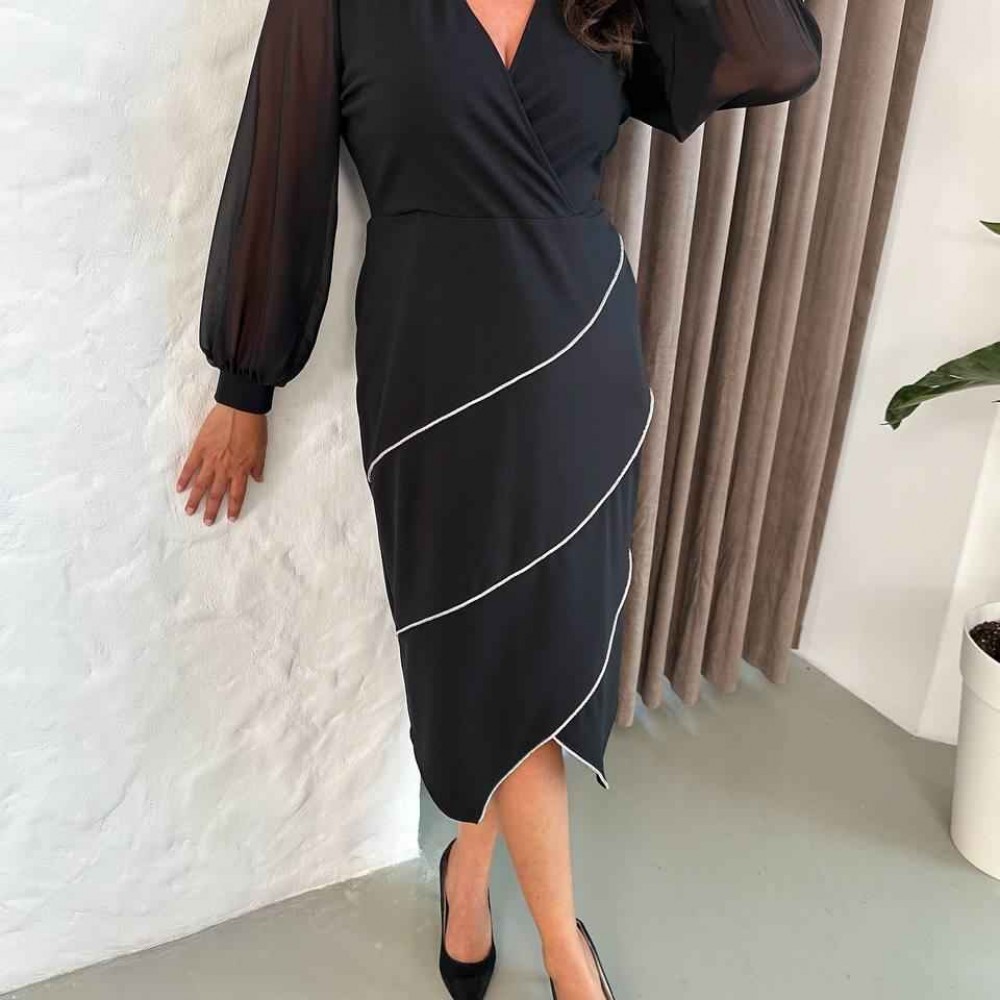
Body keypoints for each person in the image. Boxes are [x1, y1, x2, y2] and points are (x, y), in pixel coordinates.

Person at [176, 1, 821, 997]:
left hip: (580, 359)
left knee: (542, 648)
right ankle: (548, 936)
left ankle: (500, 901)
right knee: (485, 651)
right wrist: (244, 384)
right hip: (433, 376)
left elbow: (777, 58)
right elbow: (280, 160)